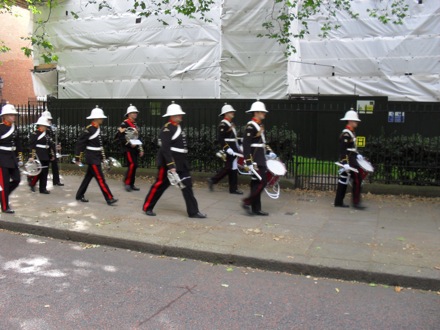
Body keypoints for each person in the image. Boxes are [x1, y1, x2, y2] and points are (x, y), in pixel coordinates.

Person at [142, 101, 206, 218]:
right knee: (159, 185)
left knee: (187, 185)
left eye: (180, 114)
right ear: (172, 116)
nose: (180, 116)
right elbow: (165, 149)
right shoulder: (166, 129)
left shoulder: (177, 127)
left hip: (181, 162)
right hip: (169, 163)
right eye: (178, 114)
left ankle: (193, 211)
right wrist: (171, 166)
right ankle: (147, 207)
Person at [74, 106, 118, 206]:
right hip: (92, 157)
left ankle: (79, 195)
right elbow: (81, 144)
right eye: (101, 118)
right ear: (96, 119)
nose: (102, 119)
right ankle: (109, 198)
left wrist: (103, 158)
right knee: (100, 178)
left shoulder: (97, 129)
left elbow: (100, 145)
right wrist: (78, 157)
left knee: (88, 178)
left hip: (96, 156)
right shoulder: (89, 129)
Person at [241, 100, 275, 216]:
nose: (264, 114)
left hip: (260, 157)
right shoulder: (251, 126)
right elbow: (246, 144)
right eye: (262, 112)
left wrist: (270, 152)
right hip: (255, 158)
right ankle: (247, 202)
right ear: (256, 112)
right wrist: (249, 161)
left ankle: (256, 209)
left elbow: (262, 142)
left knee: (256, 183)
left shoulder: (259, 125)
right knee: (263, 181)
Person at [208, 103, 243, 194]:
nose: (233, 113)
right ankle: (213, 180)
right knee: (228, 167)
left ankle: (233, 189)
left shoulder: (230, 123)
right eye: (231, 112)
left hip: (233, 148)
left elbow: (233, 138)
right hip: (229, 149)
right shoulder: (223, 124)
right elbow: (220, 138)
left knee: (233, 168)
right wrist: (227, 148)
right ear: (226, 113)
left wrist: (240, 144)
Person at [334, 108, 365, 209]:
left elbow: (351, 149)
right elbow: (343, 150)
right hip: (349, 161)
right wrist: (345, 163)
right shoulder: (346, 134)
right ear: (350, 121)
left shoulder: (351, 132)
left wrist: (357, 155)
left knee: (343, 180)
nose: (357, 123)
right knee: (357, 178)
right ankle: (356, 203)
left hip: (351, 159)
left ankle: (338, 202)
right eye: (355, 121)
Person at [0, 104, 23, 213]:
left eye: (14, 115)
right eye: (11, 115)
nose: (13, 117)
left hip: (12, 158)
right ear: (4, 116)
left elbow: (18, 144)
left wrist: (20, 158)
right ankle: (4, 207)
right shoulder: (0, 128)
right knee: (3, 184)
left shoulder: (15, 128)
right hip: (2, 159)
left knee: (17, 179)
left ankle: (3, 195)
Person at [116, 104, 144, 192]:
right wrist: (129, 144)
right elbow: (120, 137)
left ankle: (131, 184)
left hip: (135, 148)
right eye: (133, 113)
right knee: (132, 164)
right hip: (128, 148)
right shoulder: (124, 124)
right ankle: (127, 183)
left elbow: (137, 137)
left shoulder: (135, 125)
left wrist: (141, 149)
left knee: (134, 166)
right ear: (129, 114)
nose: (136, 114)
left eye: (136, 112)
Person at [28, 116, 54, 194]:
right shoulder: (35, 133)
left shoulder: (46, 134)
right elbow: (32, 145)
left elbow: (48, 146)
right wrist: (32, 156)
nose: (46, 127)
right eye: (44, 126)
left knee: (45, 172)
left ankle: (43, 188)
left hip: (45, 155)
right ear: (40, 125)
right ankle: (32, 184)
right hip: (38, 154)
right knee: (38, 172)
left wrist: (51, 155)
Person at [41, 110, 64, 186]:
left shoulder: (51, 129)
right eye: (48, 120)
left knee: (55, 166)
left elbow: (53, 139)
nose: (49, 121)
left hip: (52, 150)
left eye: (50, 120)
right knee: (42, 168)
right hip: (44, 151)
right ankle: (32, 182)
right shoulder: (41, 129)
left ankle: (56, 181)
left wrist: (57, 145)